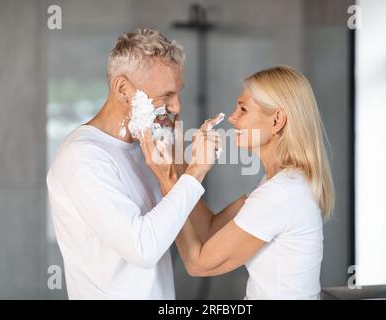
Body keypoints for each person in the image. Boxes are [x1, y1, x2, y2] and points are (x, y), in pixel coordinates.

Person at [46, 28, 218, 299]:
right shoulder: (82, 158)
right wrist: (196, 172)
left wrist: (179, 170)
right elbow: (143, 248)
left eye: (179, 93)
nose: (177, 107)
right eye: (166, 95)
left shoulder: (147, 148)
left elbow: (196, 225)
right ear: (123, 89)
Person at [141, 65, 335, 299]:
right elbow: (210, 228)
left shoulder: (280, 194)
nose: (232, 117)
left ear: (276, 121)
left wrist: (169, 180)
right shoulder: (277, 183)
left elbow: (199, 264)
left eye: (243, 109)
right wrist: (186, 166)